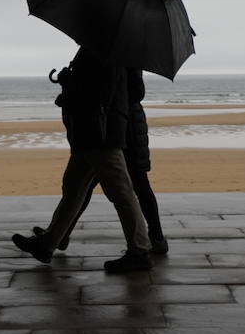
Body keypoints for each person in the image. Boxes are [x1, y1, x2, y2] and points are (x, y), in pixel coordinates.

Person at [11, 48, 153, 272]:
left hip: (99, 133)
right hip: (94, 133)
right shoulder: (111, 49)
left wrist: (69, 82)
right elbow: (117, 91)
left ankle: (140, 250)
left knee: (120, 192)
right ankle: (47, 244)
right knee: (74, 189)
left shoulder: (104, 50)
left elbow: (98, 91)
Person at [35, 67, 167, 254]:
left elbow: (133, 91)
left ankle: (153, 239)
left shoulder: (117, 55)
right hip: (115, 123)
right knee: (88, 186)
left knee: (133, 184)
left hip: (118, 125)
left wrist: (74, 84)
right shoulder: (118, 53)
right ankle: (60, 234)